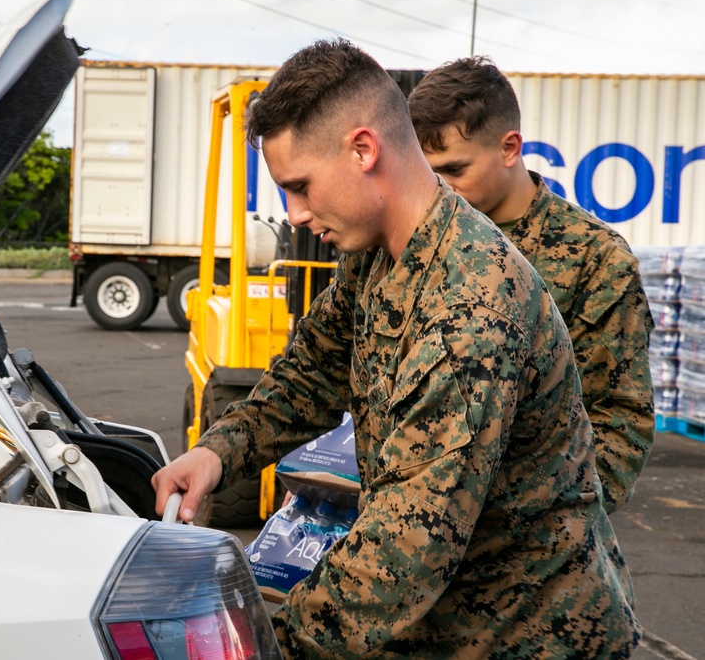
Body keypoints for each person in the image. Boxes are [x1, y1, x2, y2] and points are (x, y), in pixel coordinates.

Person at [152, 38, 640, 658]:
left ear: (363, 149)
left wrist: (259, 646)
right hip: (442, 616)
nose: (293, 214)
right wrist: (218, 452)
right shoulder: (378, 253)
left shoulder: (472, 304)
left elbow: (406, 547)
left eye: (300, 186)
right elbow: (310, 374)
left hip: (526, 633)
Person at [407, 57, 655, 515]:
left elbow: (620, 422)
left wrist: (546, 520)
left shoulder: (595, 259)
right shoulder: (417, 243)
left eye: (455, 170)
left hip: (530, 557)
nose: (440, 191)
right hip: (414, 534)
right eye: (429, 174)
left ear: (509, 148)